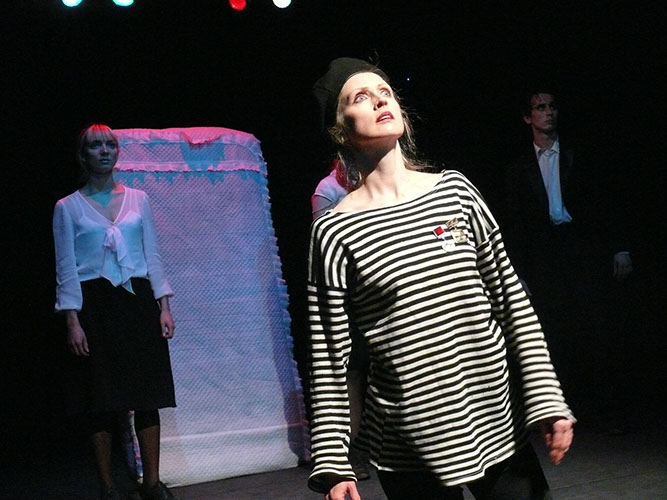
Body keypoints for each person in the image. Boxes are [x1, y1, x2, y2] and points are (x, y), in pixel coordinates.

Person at [306, 58, 575, 500]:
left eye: (385, 92)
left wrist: (545, 395)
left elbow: (512, 300)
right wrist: (334, 462)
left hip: (494, 425)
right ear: (340, 130)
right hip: (407, 447)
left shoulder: (455, 192)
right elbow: (330, 355)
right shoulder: (335, 230)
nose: (380, 101)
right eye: (360, 97)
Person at [53, 124, 177, 500]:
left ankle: (152, 483)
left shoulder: (138, 199)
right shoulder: (67, 207)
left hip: (137, 302)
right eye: (95, 146)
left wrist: (163, 305)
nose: (104, 151)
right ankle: (108, 487)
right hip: (95, 306)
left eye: (110, 144)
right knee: (101, 400)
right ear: (83, 155)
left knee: (147, 395)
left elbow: (152, 254)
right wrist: (72, 320)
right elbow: (66, 268)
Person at [503, 90, 632, 417]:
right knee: (553, 332)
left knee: (597, 327)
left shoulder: (579, 155)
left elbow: (607, 201)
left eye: (552, 106)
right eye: (540, 107)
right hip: (545, 255)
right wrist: (518, 272)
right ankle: (564, 409)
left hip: (582, 247)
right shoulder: (518, 168)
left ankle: (609, 408)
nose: (548, 112)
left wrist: (620, 247)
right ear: (528, 117)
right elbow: (514, 223)